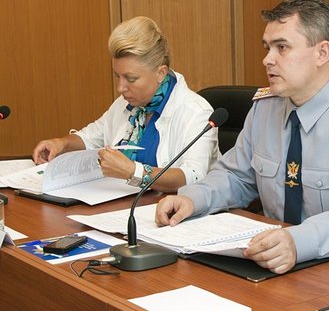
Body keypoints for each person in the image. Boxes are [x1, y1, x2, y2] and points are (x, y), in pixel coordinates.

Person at [155, 0, 329, 274]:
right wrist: (192, 199)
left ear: (322, 53)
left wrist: (298, 242)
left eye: (282, 47)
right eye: (267, 48)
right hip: (282, 262)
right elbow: (236, 177)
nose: (267, 60)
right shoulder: (265, 108)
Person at [32, 16, 218, 193]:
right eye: (117, 76)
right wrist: (61, 143)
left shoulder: (196, 111)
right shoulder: (126, 104)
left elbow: (194, 175)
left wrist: (133, 171)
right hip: (123, 206)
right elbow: (90, 138)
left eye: (131, 78)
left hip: (174, 210)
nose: (121, 87)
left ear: (160, 73)